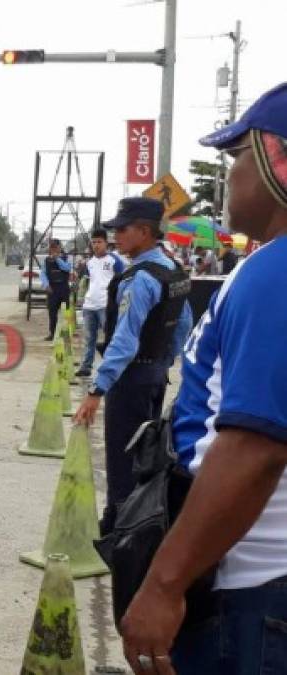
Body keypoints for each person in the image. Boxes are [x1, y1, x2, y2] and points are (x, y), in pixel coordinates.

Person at [119, 81, 287, 675]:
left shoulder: (275, 275)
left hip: (250, 590)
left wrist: (165, 583)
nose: (229, 173)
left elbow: (253, 448)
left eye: (237, 156)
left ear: (276, 162)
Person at [73, 197, 193, 535]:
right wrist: (163, 363)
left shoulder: (139, 279)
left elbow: (124, 341)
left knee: (123, 461)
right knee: (147, 461)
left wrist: (97, 389)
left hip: (131, 381)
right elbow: (183, 326)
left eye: (122, 229)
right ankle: (136, 528)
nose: (116, 236)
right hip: (155, 377)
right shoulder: (173, 271)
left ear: (144, 231)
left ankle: (119, 536)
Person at [76, 229, 126, 378]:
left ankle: (111, 367)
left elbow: (121, 282)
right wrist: (81, 299)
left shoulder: (114, 260)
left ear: (106, 243)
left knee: (111, 336)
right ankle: (86, 367)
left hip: (106, 305)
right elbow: (85, 283)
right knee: (89, 338)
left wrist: (117, 303)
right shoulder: (90, 263)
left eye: (99, 242)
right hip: (89, 305)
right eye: (94, 242)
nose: (96, 245)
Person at [39, 238, 72, 341]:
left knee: (65, 313)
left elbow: (67, 268)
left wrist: (57, 258)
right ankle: (52, 333)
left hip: (63, 288)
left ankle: (65, 334)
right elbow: (43, 273)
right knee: (52, 313)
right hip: (52, 289)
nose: (53, 249)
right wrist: (46, 285)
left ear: (59, 247)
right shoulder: (46, 260)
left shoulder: (66, 257)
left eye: (55, 247)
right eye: (51, 247)